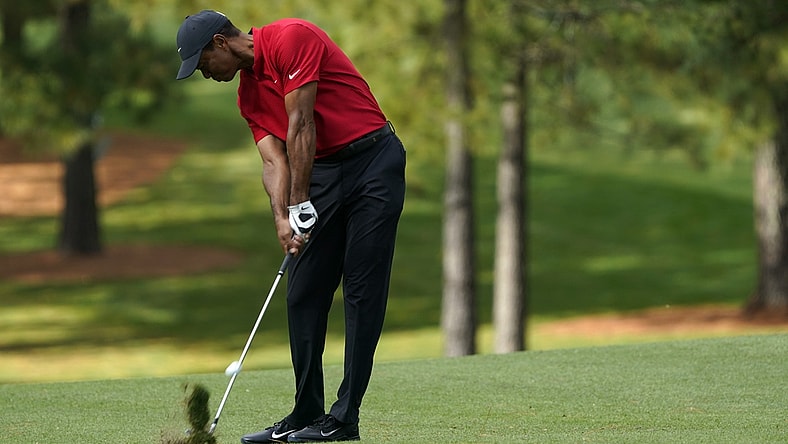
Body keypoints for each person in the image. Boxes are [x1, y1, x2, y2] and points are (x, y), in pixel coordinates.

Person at [175, 10, 406, 444]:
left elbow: (303, 123)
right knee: (302, 293)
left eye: (204, 65)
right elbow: (273, 160)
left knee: (360, 290)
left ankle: (344, 418)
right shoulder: (247, 96)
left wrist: (301, 199)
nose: (206, 75)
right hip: (319, 172)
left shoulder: (291, 38)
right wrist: (283, 216)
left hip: (373, 162)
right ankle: (306, 412)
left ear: (220, 43)